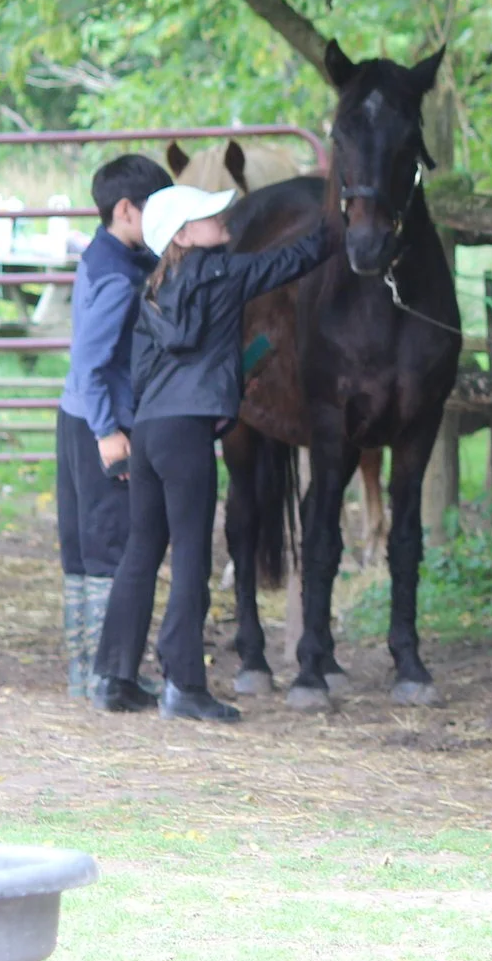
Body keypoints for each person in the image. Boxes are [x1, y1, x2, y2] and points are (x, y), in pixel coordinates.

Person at [93, 186, 335, 722]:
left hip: (151, 429)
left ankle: (114, 676)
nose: (220, 216)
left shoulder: (152, 291)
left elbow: (140, 371)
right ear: (182, 234)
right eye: (205, 214)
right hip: (186, 432)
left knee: (143, 549)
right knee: (191, 556)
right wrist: (335, 216)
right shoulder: (223, 275)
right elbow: (295, 258)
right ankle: (185, 685)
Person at [54, 153, 172, 698]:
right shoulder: (123, 278)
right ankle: (109, 676)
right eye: (157, 211)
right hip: (101, 423)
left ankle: (86, 673)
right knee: (112, 549)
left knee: (83, 552)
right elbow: (92, 358)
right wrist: (108, 434)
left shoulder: (98, 255)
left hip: (74, 414)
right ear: (126, 210)